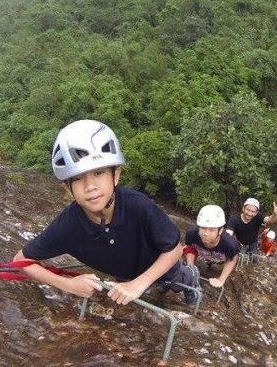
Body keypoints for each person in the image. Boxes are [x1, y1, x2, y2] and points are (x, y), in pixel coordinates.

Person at [12, 120, 199, 305]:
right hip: (125, 276)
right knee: (156, 288)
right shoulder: (69, 225)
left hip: (162, 264)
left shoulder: (138, 206)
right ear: (69, 189)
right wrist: (68, 284)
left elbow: (174, 249)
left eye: (99, 173)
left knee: (175, 284)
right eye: (78, 178)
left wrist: (139, 284)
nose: (90, 186)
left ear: (115, 176)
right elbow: (21, 260)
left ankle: (190, 275)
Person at [182, 205, 241, 288]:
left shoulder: (230, 244)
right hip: (205, 254)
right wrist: (190, 269)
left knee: (217, 268)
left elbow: (232, 260)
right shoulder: (191, 234)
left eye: (211, 230)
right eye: (203, 228)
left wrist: (221, 279)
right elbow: (190, 248)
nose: (206, 233)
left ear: (220, 230)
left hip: (221, 260)